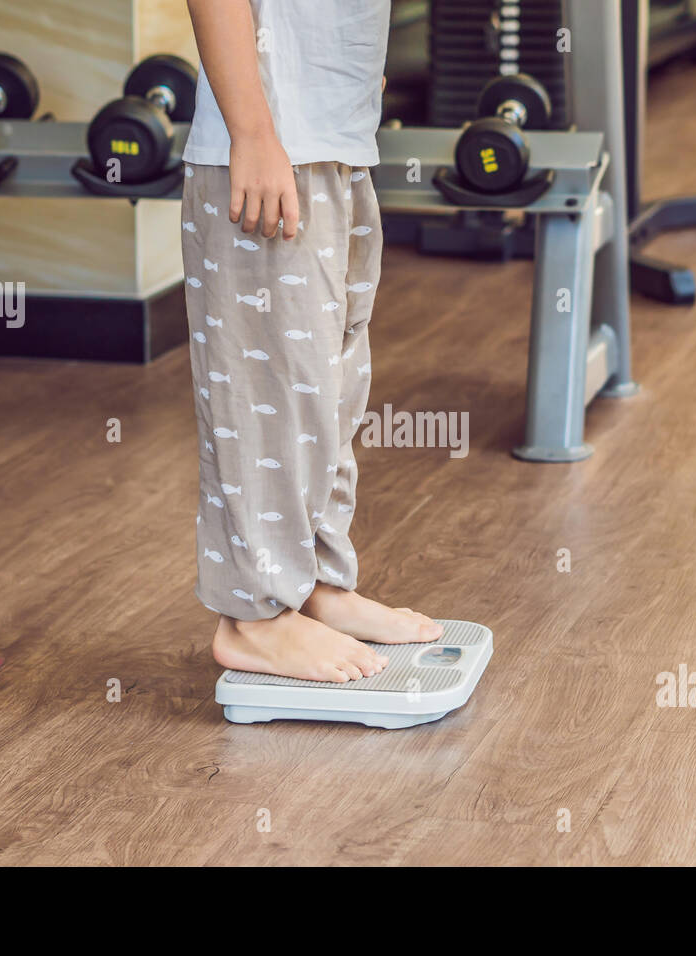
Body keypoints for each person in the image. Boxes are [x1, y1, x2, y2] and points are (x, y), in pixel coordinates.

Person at [181, 0, 443, 683]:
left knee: (328, 388)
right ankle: (255, 618)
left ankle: (317, 586)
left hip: (336, 135)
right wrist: (253, 132)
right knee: (269, 394)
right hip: (270, 142)